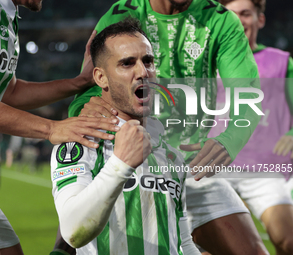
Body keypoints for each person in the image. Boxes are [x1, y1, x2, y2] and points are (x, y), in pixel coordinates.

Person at [59, 0, 269, 254]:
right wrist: (83, 111)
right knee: (84, 226)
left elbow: (247, 95)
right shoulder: (123, 12)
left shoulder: (220, 19)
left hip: (191, 165)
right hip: (130, 157)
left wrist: (229, 140)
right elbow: (90, 85)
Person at [0, 0, 121, 253]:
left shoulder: (7, 14)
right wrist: (51, 128)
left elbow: (9, 91)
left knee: (9, 251)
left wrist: (78, 83)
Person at [51, 18, 201, 255]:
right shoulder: (81, 142)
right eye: (127, 63)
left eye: (148, 61)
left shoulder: (170, 152)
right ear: (101, 78)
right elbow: (72, 231)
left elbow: (182, 240)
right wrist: (120, 165)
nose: (143, 72)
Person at [206, 0, 293, 254]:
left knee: (289, 240)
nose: (238, 20)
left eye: (245, 14)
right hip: (212, 167)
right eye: (231, 14)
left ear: (260, 19)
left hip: (263, 169)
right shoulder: (203, 62)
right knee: (203, 245)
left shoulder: (281, 62)